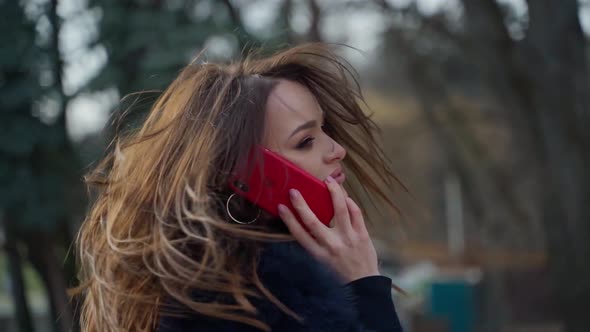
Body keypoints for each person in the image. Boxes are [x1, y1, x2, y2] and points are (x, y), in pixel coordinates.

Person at [74, 43, 404, 332]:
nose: (337, 150)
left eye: (324, 128)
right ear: (244, 176)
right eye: (305, 141)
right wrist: (365, 286)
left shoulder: (243, 287)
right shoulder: (251, 306)